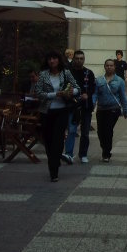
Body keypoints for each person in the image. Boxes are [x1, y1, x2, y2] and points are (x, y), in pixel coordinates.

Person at [34, 50, 80, 182]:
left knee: (58, 140)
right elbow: (39, 93)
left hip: (62, 111)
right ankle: (54, 160)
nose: (52, 61)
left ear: (59, 60)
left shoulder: (65, 73)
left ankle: (53, 171)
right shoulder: (43, 75)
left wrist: (72, 91)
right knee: (48, 141)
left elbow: (77, 88)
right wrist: (55, 95)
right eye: (49, 59)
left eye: (54, 58)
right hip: (47, 112)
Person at [61, 49, 96, 164]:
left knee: (85, 132)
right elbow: (63, 87)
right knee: (71, 130)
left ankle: (83, 154)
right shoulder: (67, 72)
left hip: (86, 106)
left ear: (84, 60)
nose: (79, 61)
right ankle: (69, 154)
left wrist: (88, 94)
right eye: (77, 58)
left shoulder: (89, 73)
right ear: (73, 59)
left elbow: (92, 87)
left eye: (81, 59)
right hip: (72, 105)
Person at [95, 58, 127, 161]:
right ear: (104, 67)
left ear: (114, 67)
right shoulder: (99, 80)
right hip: (101, 109)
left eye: (111, 65)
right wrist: (92, 103)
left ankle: (106, 153)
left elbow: (123, 96)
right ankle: (105, 148)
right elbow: (95, 94)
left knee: (108, 130)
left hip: (113, 109)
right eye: (107, 65)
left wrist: (125, 109)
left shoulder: (119, 81)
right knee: (100, 132)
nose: (109, 67)